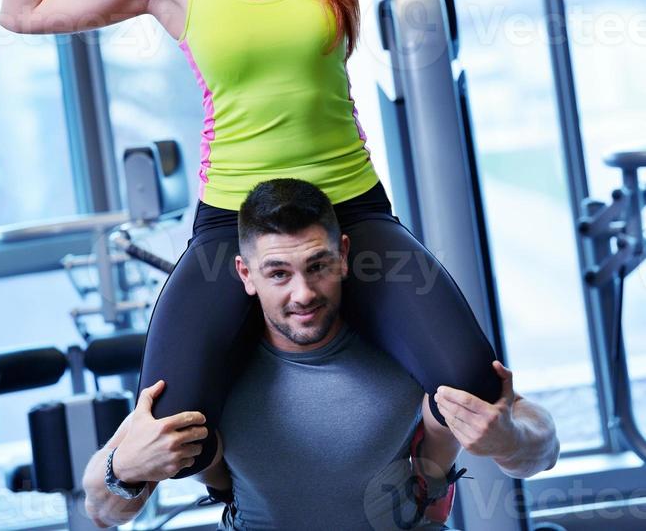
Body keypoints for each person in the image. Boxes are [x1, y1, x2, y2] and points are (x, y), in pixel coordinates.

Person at [0, 0, 503, 477]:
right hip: (232, 221)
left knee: (473, 387)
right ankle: (250, 498)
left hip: (349, 209)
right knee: (175, 435)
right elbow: (24, 9)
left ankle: (420, 485)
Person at [82, 178, 559, 531]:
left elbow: (543, 449)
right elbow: (101, 511)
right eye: (278, 274)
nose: (303, 293)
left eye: (318, 266)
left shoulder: (406, 341)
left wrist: (508, 439)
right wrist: (122, 468)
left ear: (345, 254)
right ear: (246, 274)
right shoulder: (215, 369)